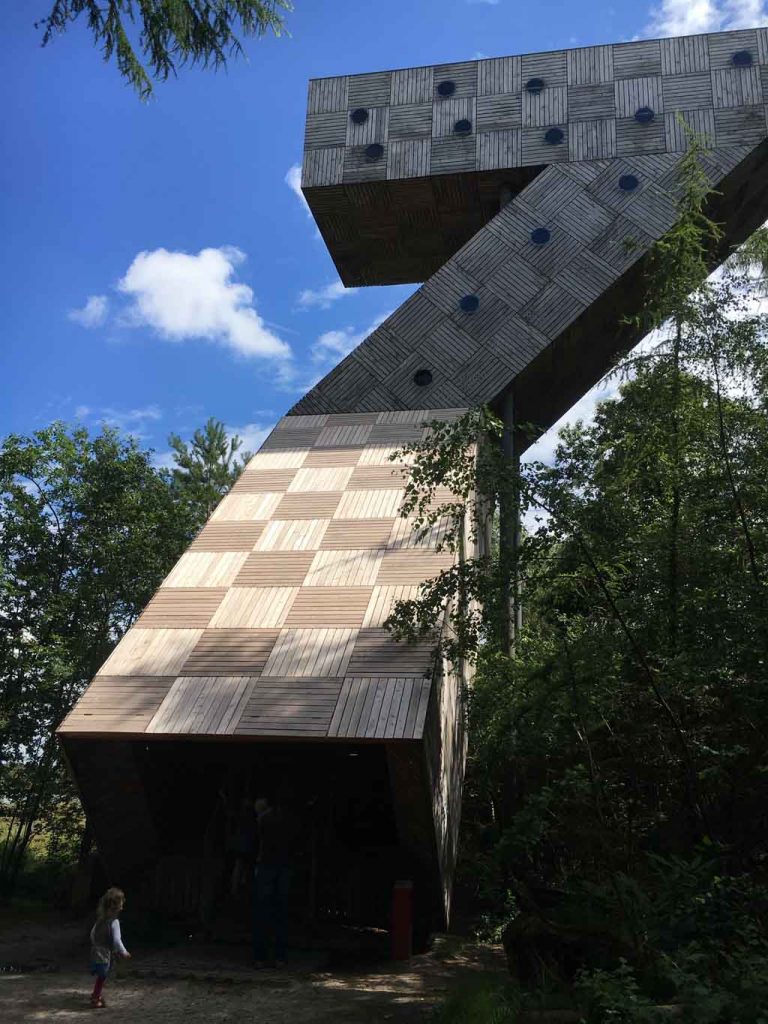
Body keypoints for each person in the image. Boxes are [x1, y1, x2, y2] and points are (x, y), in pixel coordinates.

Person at [252, 796, 295, 968]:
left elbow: (257, 844)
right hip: (283, 865)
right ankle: (280, 957)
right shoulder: (289, 819)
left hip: (267, 866)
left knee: (262, 912)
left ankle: (260, 957)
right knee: (280, 912)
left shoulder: (264, 820)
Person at [88, 886, 131, 1009]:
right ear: (117, 905)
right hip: (105, 952)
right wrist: (124, 951)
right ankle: (95, 997)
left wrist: (96, 945)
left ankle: (96, 994)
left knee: (101, 975)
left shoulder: (100, 920)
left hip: (96, 950)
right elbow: (117, 940)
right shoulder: (114, 922)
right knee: (102, 976)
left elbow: (92, 934)